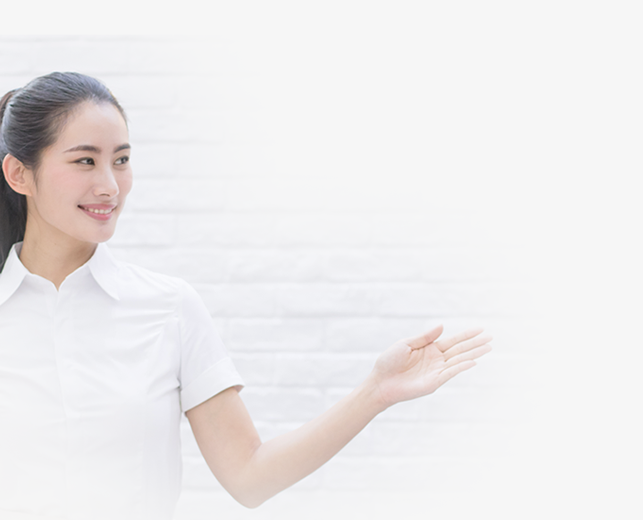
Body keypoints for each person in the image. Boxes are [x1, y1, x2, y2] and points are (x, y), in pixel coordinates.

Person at [0, 72, 493, 520]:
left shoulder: (169, 309)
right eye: (85, 161)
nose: (110, 186)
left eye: (122, 160)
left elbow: (249, 476)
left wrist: (375, 391)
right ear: (19, 174)